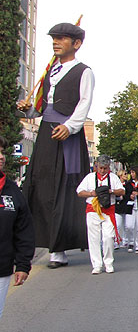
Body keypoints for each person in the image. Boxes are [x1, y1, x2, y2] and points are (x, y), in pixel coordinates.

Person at [17, 22, 94, 269]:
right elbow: (40, 109)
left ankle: (59, 249)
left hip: (68, 135)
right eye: (54, 39)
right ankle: (34, 242)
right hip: (46, 135)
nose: (56, 43)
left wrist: (69, 127)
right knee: (40, 185)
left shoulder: (84, 72)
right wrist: (27, 109)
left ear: (76, 43)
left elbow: (84, 105)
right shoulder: (50, 71)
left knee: (65, 189)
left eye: (61, 39)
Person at [0, 136, 34, 319]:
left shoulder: (12, 191)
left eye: (2, 152)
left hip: (2, 268)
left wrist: (22, 265)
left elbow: (24, 230)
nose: (1, 157)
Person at [76, 155, 125, 274]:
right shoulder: (89, 177)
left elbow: (122, 191)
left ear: (109, 167)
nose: (102, 170)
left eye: (105, 168)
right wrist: (91, 194)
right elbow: (79, 192)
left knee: (108, 237)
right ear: (96, 166)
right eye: (100, 168)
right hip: (93, 210)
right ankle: (96, 264)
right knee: (94, 238)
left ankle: (108, 262)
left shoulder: (113, 178)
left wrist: (110, 191)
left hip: (108, 211)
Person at [114, 170, 129, 249]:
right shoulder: (116, 184)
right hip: (118, 207)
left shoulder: (128, 184)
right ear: (120, 175)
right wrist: (118, 197)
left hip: (126, 206)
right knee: (118, 225)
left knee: (126, 226)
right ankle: (116, 241)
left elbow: (129, 194)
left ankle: (125, 240)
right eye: (124, 174)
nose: (126, 175)